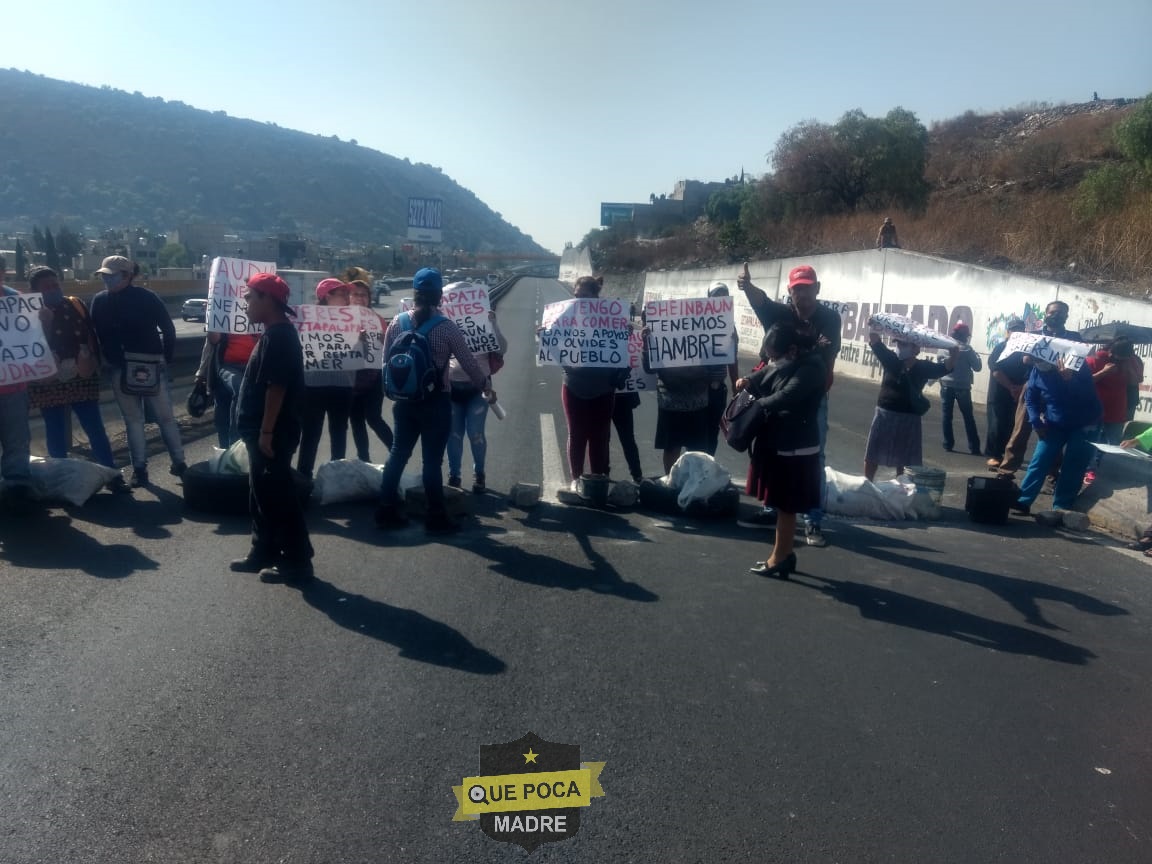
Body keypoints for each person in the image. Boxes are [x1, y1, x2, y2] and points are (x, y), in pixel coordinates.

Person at [374, 268, 493, 534]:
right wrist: (486, 387)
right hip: (436, 401)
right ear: (440, 296)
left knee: (398, 455)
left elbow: (385, 363)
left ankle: (385, 509)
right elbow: (469, 364)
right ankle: (436, 516)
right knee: (431, 462)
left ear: (414, 294)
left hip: (403, 402)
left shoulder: (397, 322)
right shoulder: (446, 327)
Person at [738, 263, 841, 547]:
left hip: (810, 400)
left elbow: (819, 355)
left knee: (814, 458)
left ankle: (813, 520)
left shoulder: (830, 319)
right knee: (774, 452)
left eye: (807, 288)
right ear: (790, 291)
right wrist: (747, 287)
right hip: (780, 395)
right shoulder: (781, 313)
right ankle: (772, 509)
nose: (803, 294)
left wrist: (785, 359)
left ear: (817, 289)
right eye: (797, 289)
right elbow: (761, 302)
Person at [229, 273, 313, 583]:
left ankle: (297, 560)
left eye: (251, 297)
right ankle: (261, 550)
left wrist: (265, 432)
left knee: (278, 495)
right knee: (260, 494)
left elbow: (276, 388)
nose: (246, 303)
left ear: (267, 299)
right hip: (262, 431)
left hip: (273, 433)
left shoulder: (280, 337)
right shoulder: (271, 334)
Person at [25, 267, 128, 493]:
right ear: (34, 291)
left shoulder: (75, 304)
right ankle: (61, 482)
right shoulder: (29, 313)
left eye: (55, 284)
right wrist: (45, 324)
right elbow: (29, 347)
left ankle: (111, 475)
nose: (54, 289)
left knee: (95, 428)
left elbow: (91, 334)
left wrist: (94, 362)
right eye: (47, 287)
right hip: (49, 382)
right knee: (55, 431)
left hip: (82, 377)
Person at [88, 256, 186, 487]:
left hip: (134, 367)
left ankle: (158, 467)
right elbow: (168, 331)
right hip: (139, 366)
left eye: (111, 275)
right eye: (104, 275)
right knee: (152, 419)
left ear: (127, 276)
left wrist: (163, 361)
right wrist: (165, 359)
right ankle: (156, 466)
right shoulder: (138, 298)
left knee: (150, 419)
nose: (106, 279)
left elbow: (169, 330)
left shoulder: (103, 301)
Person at [739, 322, 826, 578]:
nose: (771, 360)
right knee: (781, 503)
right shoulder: (788, 361)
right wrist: (746, 381)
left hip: (796, 445)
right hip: (780, 441)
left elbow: (786, 396)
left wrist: (752, 404)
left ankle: (779, 557)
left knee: (786, 504)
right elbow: (765, 372)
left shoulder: (812, 368)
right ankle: (784, 554)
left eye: (774, 355)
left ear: (791, 350)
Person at [994, 301, 1083, 479]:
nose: (1057, 316)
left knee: (1054, 432)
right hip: (1033, 386)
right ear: (1046, 313)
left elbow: (1078, 364)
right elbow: (1022, 360)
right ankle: (1006, 470)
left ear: (1067, 316)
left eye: (1061, 313)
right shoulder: (1033, 336)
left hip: (1059, 390)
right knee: (1020, 430)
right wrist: (1029, 360)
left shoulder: (1074, 338)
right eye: (1053, 312)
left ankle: (1052, 475)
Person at [558, 276, 627, 490]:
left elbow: (624, 356)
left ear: (596, 297)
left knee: (599, 436)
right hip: (573, 385)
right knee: (576, 434)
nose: (579, 301)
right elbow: (556, 347)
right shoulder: (567, 316)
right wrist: (546, 337)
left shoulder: (612, 319)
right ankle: (576, 479)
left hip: (603, 388)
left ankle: (597, 479)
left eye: (584, 297)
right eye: (576, 296)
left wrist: (627, 337)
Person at [1011, 356, 1101, 515]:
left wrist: (1070, 379)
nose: (1041, 366)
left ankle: (1061, 506)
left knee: (1073, 464)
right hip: (1055, 421)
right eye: (1037, 363)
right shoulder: (1037, 370)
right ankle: (1023, 500)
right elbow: (1030, 398)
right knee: (1040, 459)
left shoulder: (1078, 366)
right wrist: (1035, 422)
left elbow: (1087, 396)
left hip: (1085, 422)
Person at [864, 331, 956, 481]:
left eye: (903, 344)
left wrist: (954, 352)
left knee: (904, 458)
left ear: (915, 349)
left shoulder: (923, 367)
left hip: (909, 416)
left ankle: (901, 489)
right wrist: (873, 326)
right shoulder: (892, 360)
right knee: (873, 453)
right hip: (885, 412)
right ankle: (867, 483)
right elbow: (875, 341)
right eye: (898, 343)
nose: (899, 347)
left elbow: (946, 367)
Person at [296, 278, 355, 477]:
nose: (348, 298)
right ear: (327, 296)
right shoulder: (307, 319)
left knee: (339, 433)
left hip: (343, 385)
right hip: (313, 385)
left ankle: (336, 477)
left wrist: (362, 340)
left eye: (348, 294)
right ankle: (304, 476)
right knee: (311, 434)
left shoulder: (352, 319)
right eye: (342, 294)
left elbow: (361, 355)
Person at [447, 309, 507, 494]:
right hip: (452, 388)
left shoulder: (485, 324)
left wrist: (494, 324)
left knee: (475, 433)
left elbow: (502, 349)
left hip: (479, 389)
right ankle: (454, 475)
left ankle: (479, 473)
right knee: (454, 435)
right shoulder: (447, 325)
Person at [642, 320, 712, 475]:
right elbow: (649, 369)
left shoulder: (704, 342)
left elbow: (717, 371)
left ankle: (681, 484)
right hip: (679, 404)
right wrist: (647, 347)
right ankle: (681, 483)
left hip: (687, 404)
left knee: (685, 448)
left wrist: (726, 344)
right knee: (682, 448)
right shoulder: (662, 341)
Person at [346, 276, 394, 461]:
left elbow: (387, 347)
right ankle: (364, 459)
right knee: (356, 421)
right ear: (349, 297)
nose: (359, 298)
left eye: (363, 295)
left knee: (374, 418)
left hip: (374, 377)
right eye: (355, 294)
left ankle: (397, 451)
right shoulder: (339, 320)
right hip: (351, 379)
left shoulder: (377, 319)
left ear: (369, 298)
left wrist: (384, 342)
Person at [0, 259, 35, 511]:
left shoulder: (17, 300)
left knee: (17, 441)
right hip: (13, 386)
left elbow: (33, 339)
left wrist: (41, 320)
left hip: (14, 387)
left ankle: (17, 490)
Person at [195, 329, 258, 449]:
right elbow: (212, 341)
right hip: (227, 365)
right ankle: (229, 448)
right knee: (236, 392)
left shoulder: (258, 313)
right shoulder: (225, 313)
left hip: (254, 367)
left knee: (238, 397)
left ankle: (235, 447)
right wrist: (202, 371)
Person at [1084, 338, 1134, 484]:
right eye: (1120, 358)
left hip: (1117, 409)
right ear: (1111, 352)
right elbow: (1086, 381)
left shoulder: (1130, 362)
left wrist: (1129, 369)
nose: (1122, 361)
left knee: (1113, 443)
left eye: (1125, 359)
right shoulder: (1096, 359)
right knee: (1094, 441)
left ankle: (1104, 468)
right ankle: (1089, 470)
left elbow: (1135, 380)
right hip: (1096, 409)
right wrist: (1105, 372)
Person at [703, 281, 740, 456]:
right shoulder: (696, 322)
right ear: (709, 298)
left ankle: (707, 465)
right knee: (695, 431)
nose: (720, 299)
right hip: (696, 387)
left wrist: (735, 384)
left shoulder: (730, 327)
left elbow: (732, 359)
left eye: (723, 295)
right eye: (716, 295)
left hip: (717, 388)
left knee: (712, 431)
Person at [984, 317, 1027, 466]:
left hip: (1017, 395)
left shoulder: (1025, 351)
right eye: (1014, 330)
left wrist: (1020, 389)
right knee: (996, 425)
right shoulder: (1000, 348)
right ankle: (994, 455)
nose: (1017, 333)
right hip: (999, 394)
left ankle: (1005, 455)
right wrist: (1011, 388)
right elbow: (996, 370)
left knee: (1011, 426)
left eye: (1020, 330)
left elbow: (1030, 372)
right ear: (1008, 332)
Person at [938, 322, 983, 454]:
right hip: (963, 386)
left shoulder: (943, 347)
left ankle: (948, 444)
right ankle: (974, 447)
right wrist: (978, 357)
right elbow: (977, 367)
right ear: (964, 336)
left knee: (947, 416)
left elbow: (940, 364)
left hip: (946, 384)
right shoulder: (967, 349)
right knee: (968, 417)